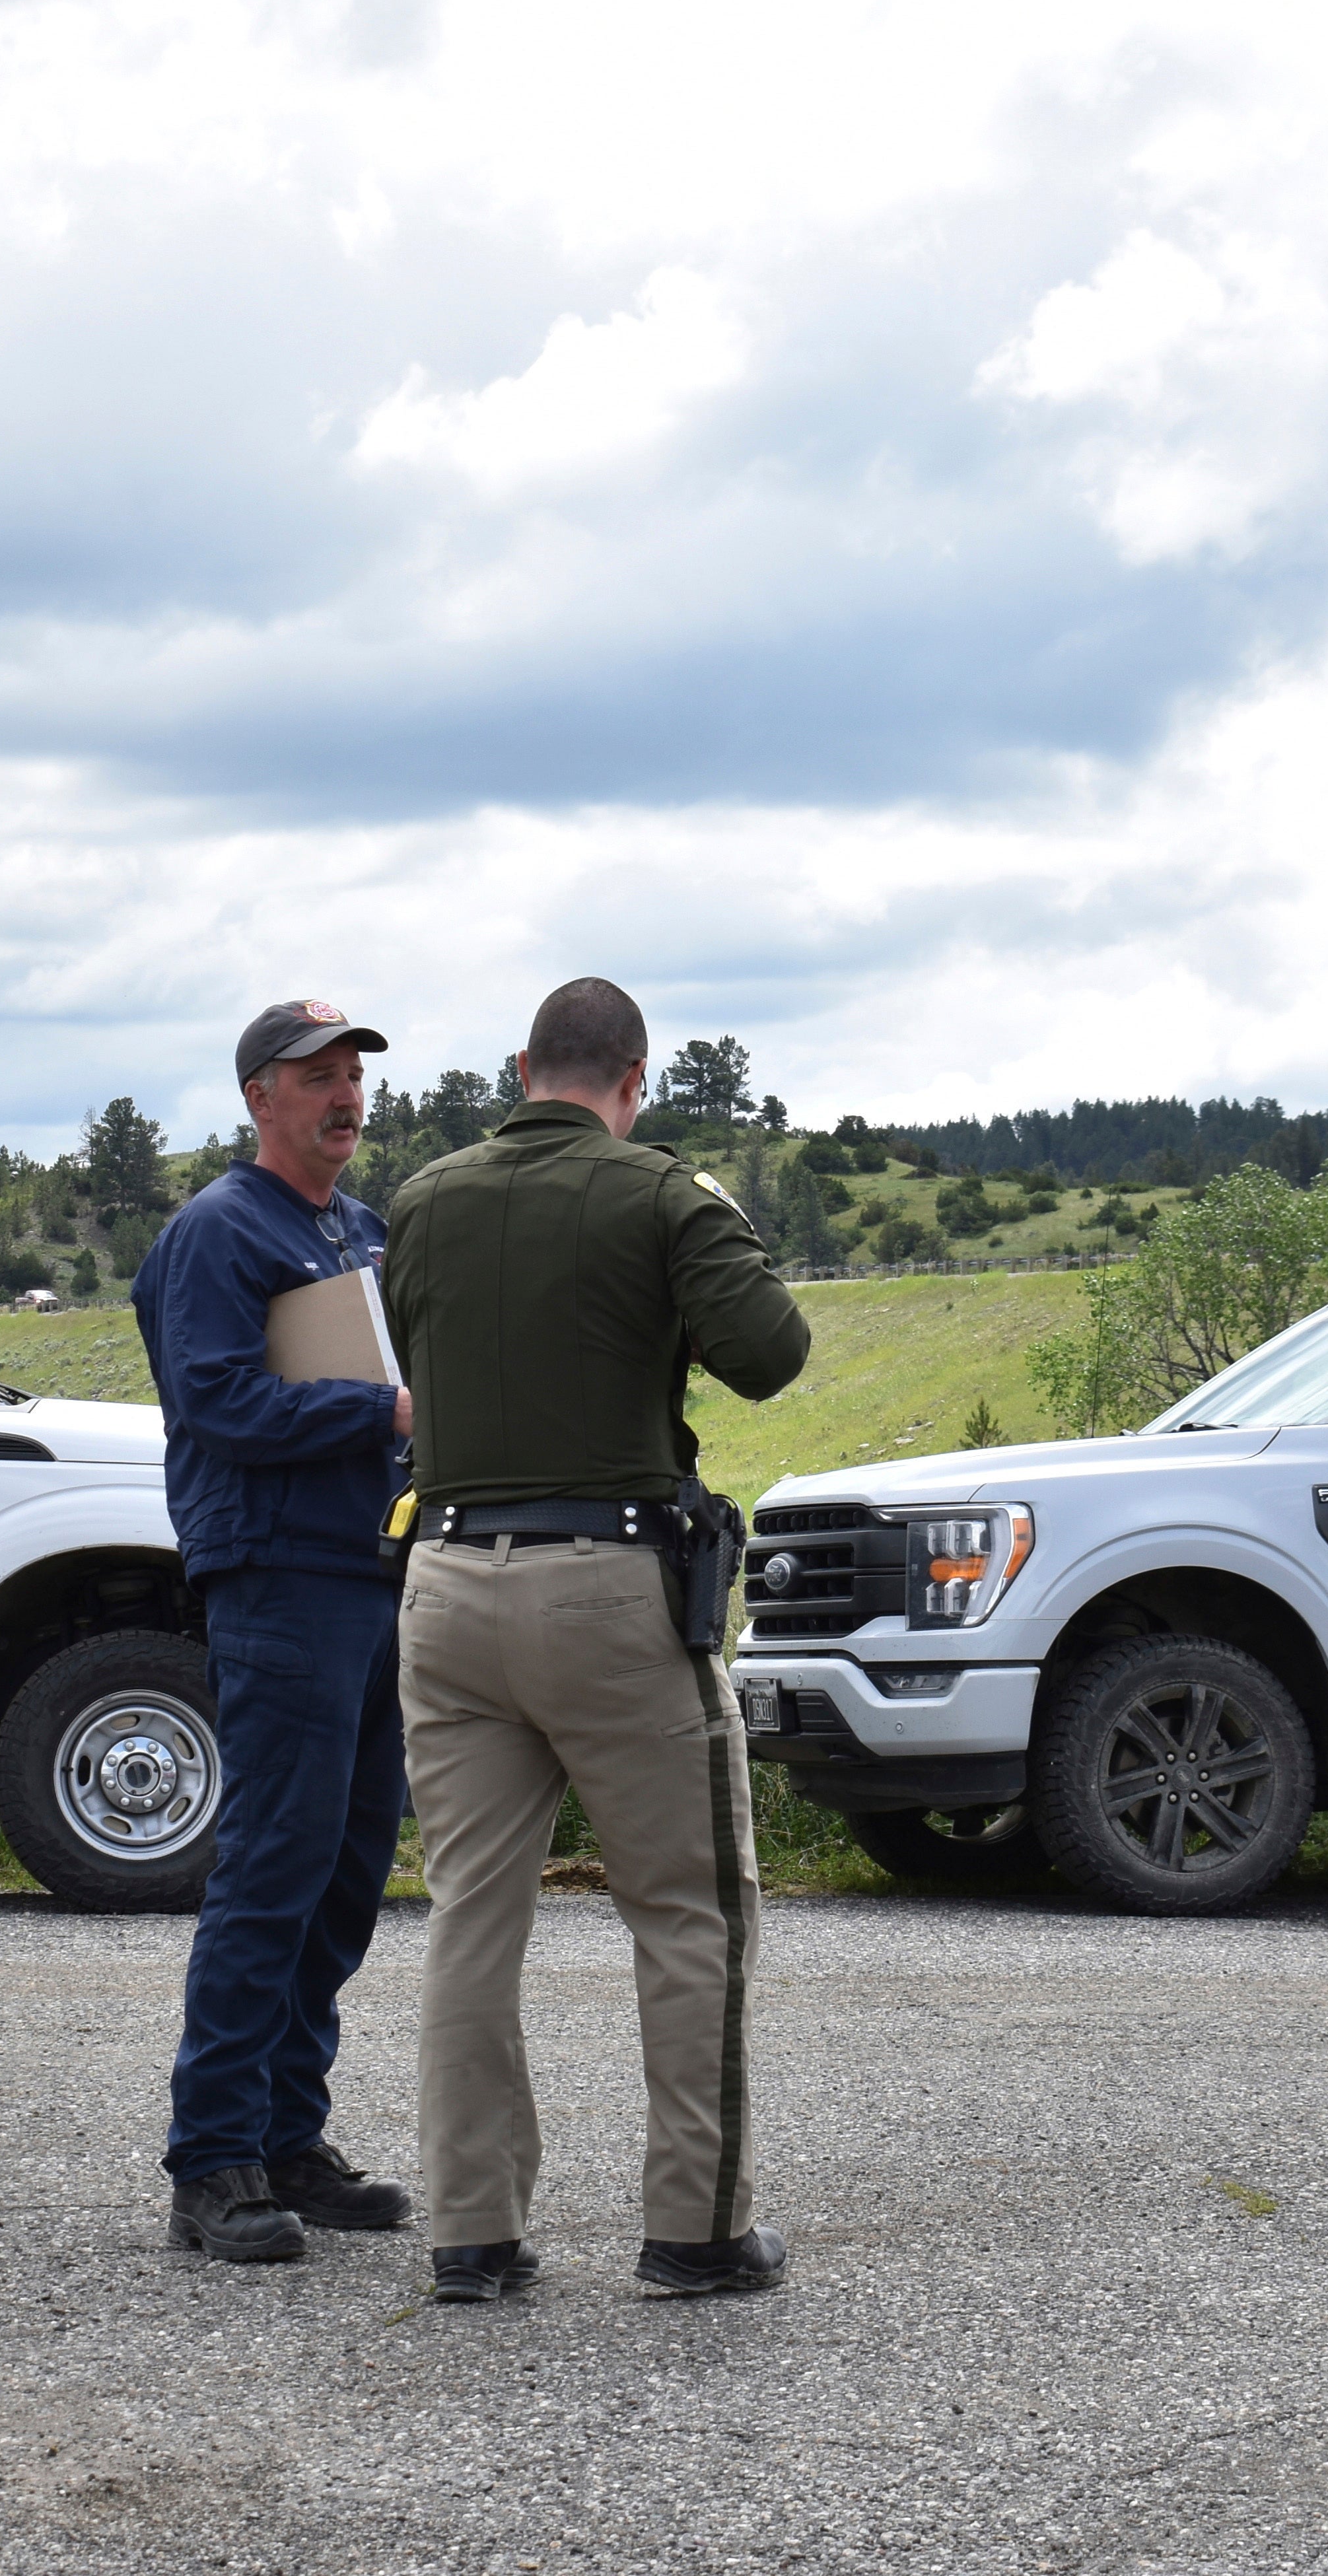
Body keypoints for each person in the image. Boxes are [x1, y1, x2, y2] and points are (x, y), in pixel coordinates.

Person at [378, 977, 812, 2299]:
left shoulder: (423, 1201)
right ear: (635, 1078)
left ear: (524, 1068)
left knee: (471, 1915)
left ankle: (474, 2230)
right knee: (690, 1912)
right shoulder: (662, 1193)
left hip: (445, 1582)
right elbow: (772, 1354)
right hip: (609, 1582)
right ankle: (696, 2227)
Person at [131, 1000, 419, 2264]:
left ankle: (290, 2134)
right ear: (260, 1097)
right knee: (272, 1866)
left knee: (349, 1872)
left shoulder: (358, 1228)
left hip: (375, 1572)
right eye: (317, 1076)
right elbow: (218, 1402)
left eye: (354, 1074)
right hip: (281, 1579)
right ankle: (214, 2160)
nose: (343, 1094)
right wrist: (384, 1409)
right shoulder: (219, 1232)